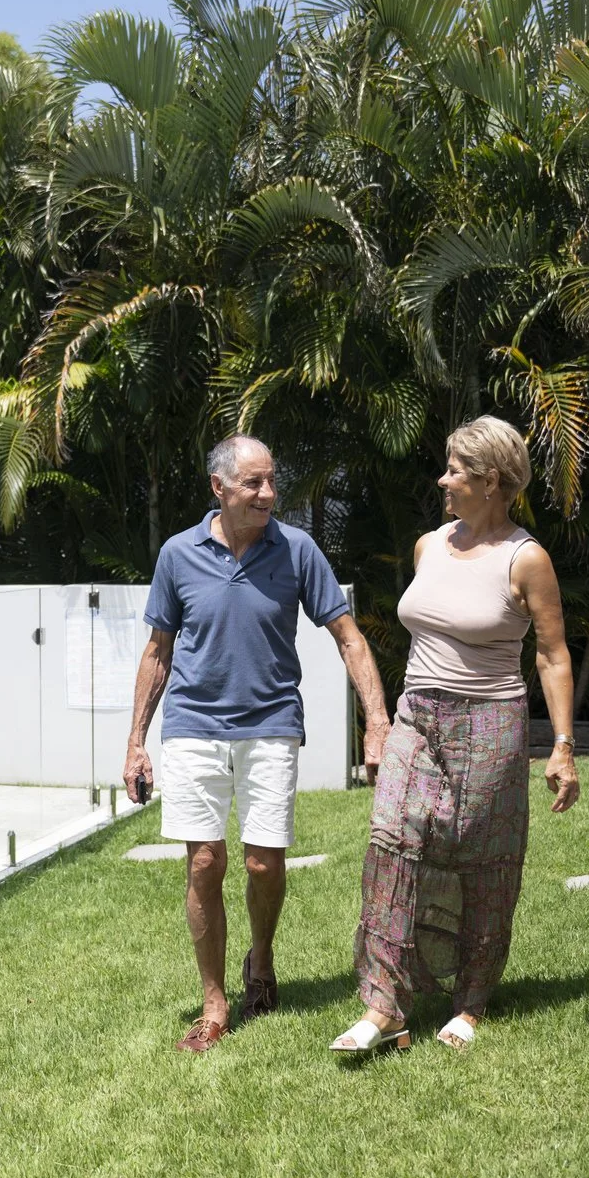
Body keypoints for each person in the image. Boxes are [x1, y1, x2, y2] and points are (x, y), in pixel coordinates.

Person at [126, 435, 390, 1054]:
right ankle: (215, 1002)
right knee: (204, 862)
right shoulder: (177, 554)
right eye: (254, 484)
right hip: (193, 725)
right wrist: (136, 741)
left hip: (272, 722)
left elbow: (349, 638)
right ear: (218, 488)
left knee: (263, 863)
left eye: (271, 481)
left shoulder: (296, 550)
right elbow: (159, 650)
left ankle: (262, 959)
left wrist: (377, 723)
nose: (269, 494)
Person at [330, 416, 581, 1057]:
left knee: (482, 862)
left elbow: (552, 655)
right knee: (391, 843)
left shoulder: (527, 559)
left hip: (490, 721)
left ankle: (470, 1002)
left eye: (455, 471)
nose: (443, 481)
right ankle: (383, 1006)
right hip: (418, 714)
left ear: (491, 481)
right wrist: (384, 723)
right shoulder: (429, 545)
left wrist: (561, 745)